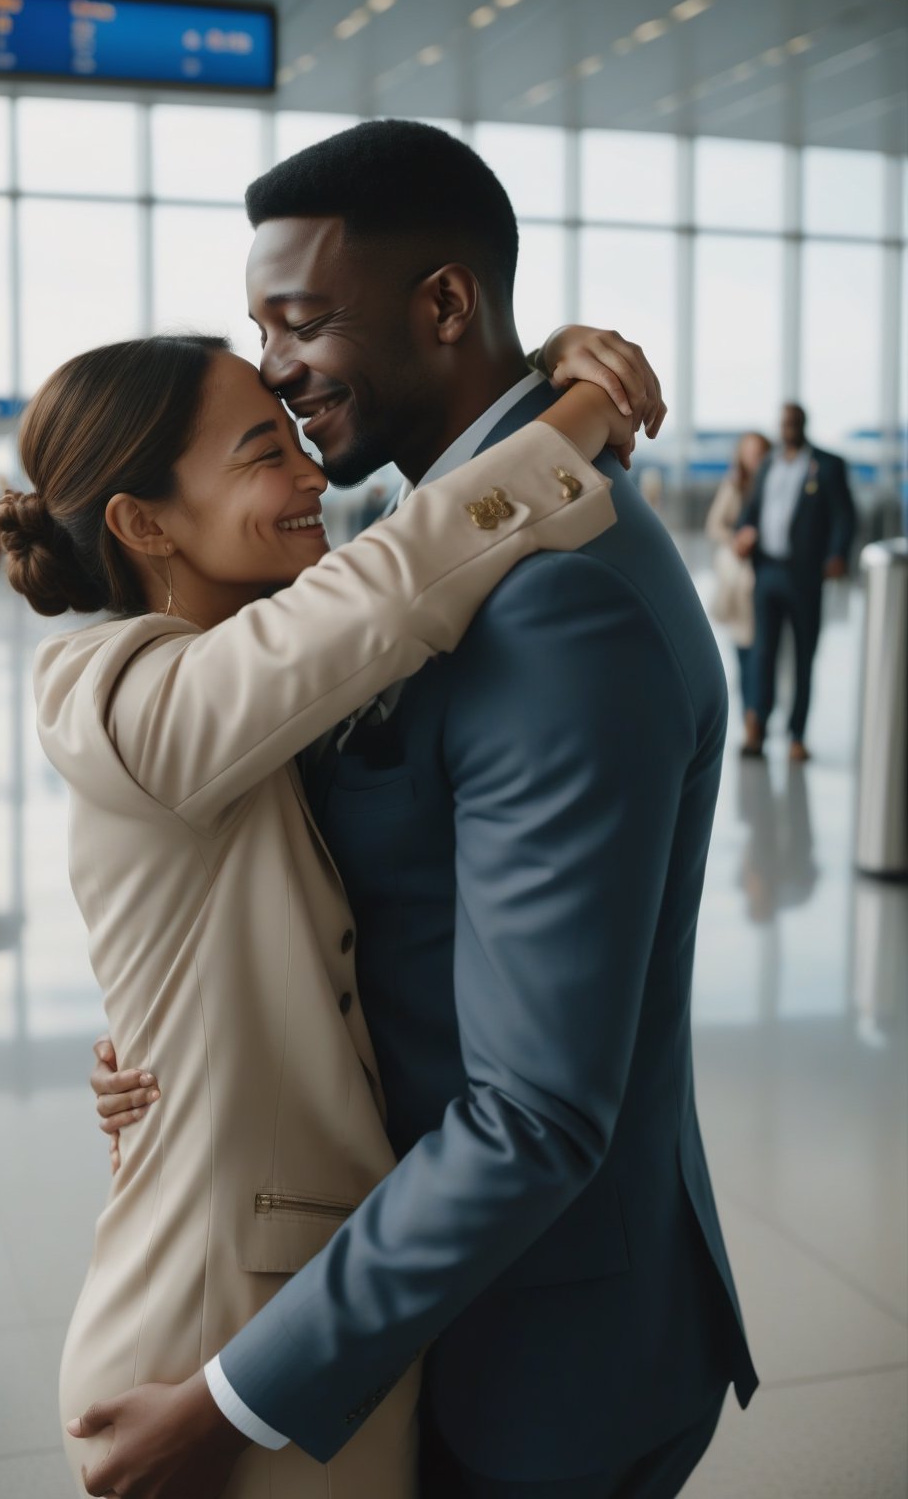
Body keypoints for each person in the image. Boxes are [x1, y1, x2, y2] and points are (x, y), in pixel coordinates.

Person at [78, 119, 756, 1499]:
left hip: (529, 1362)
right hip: (432, 1310)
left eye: (300, 322)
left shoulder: (555, 604)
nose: (273, 365)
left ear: (444, 304)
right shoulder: (419, 533)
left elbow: (534, 1117)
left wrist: (233, 1404)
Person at [0, 330, 634, 1498]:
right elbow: (390, 584)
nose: (312, 475)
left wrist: (519, 375)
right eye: (260, 454)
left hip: (279, 1302)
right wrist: (572, 412)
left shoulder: (238, 687)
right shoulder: (122, 695)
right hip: (207, 1340)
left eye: (296, 437)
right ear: (144, 523)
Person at [735, 403, 857, 762]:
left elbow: (843, 515)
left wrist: (836, 554)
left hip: (804, 576)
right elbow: (751, 510)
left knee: (804, 657)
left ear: (803, 424)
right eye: (784, 422)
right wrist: (743, 532)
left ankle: (797, 736)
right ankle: (758, 730)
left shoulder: (827, 465)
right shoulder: (769, 464)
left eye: (794, 421)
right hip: (767, 571)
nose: (788, 427)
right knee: (763, 654)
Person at [706, 431, 772, 719]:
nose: (755, 458)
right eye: (750, 452)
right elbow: (715, 526)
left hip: (768, 574)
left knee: (764, 649)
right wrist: (737, 540)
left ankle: (758, 713)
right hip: (741, 577)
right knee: (745, 646)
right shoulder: (735, 485)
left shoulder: (773, 482)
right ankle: (751, 715)